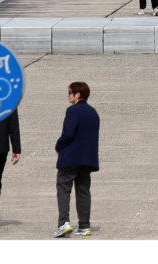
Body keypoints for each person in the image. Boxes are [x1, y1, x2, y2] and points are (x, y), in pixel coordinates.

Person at [53, 81, 99, 238]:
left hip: (71, 158)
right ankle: (84, 226)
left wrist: (58, 146)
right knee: (83, 191)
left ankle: (64, 223)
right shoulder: (93, 112)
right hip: (87, 160)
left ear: (77, 95)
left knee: (63, 189)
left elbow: (68, 133)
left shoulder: (72, 111)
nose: (68, 96)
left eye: (70, 93)